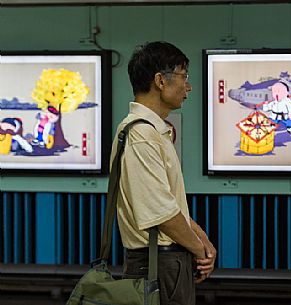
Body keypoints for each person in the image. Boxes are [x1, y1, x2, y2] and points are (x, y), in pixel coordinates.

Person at [110, 41, 216, 305]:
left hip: (166, 260)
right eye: (183, 77)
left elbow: (169, 203)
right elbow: (161, 214)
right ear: (160, 80)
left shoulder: (151, 132)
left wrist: (200, 237)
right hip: (158, 265)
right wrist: (200, 251)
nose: (188, 87)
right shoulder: (141, 135)